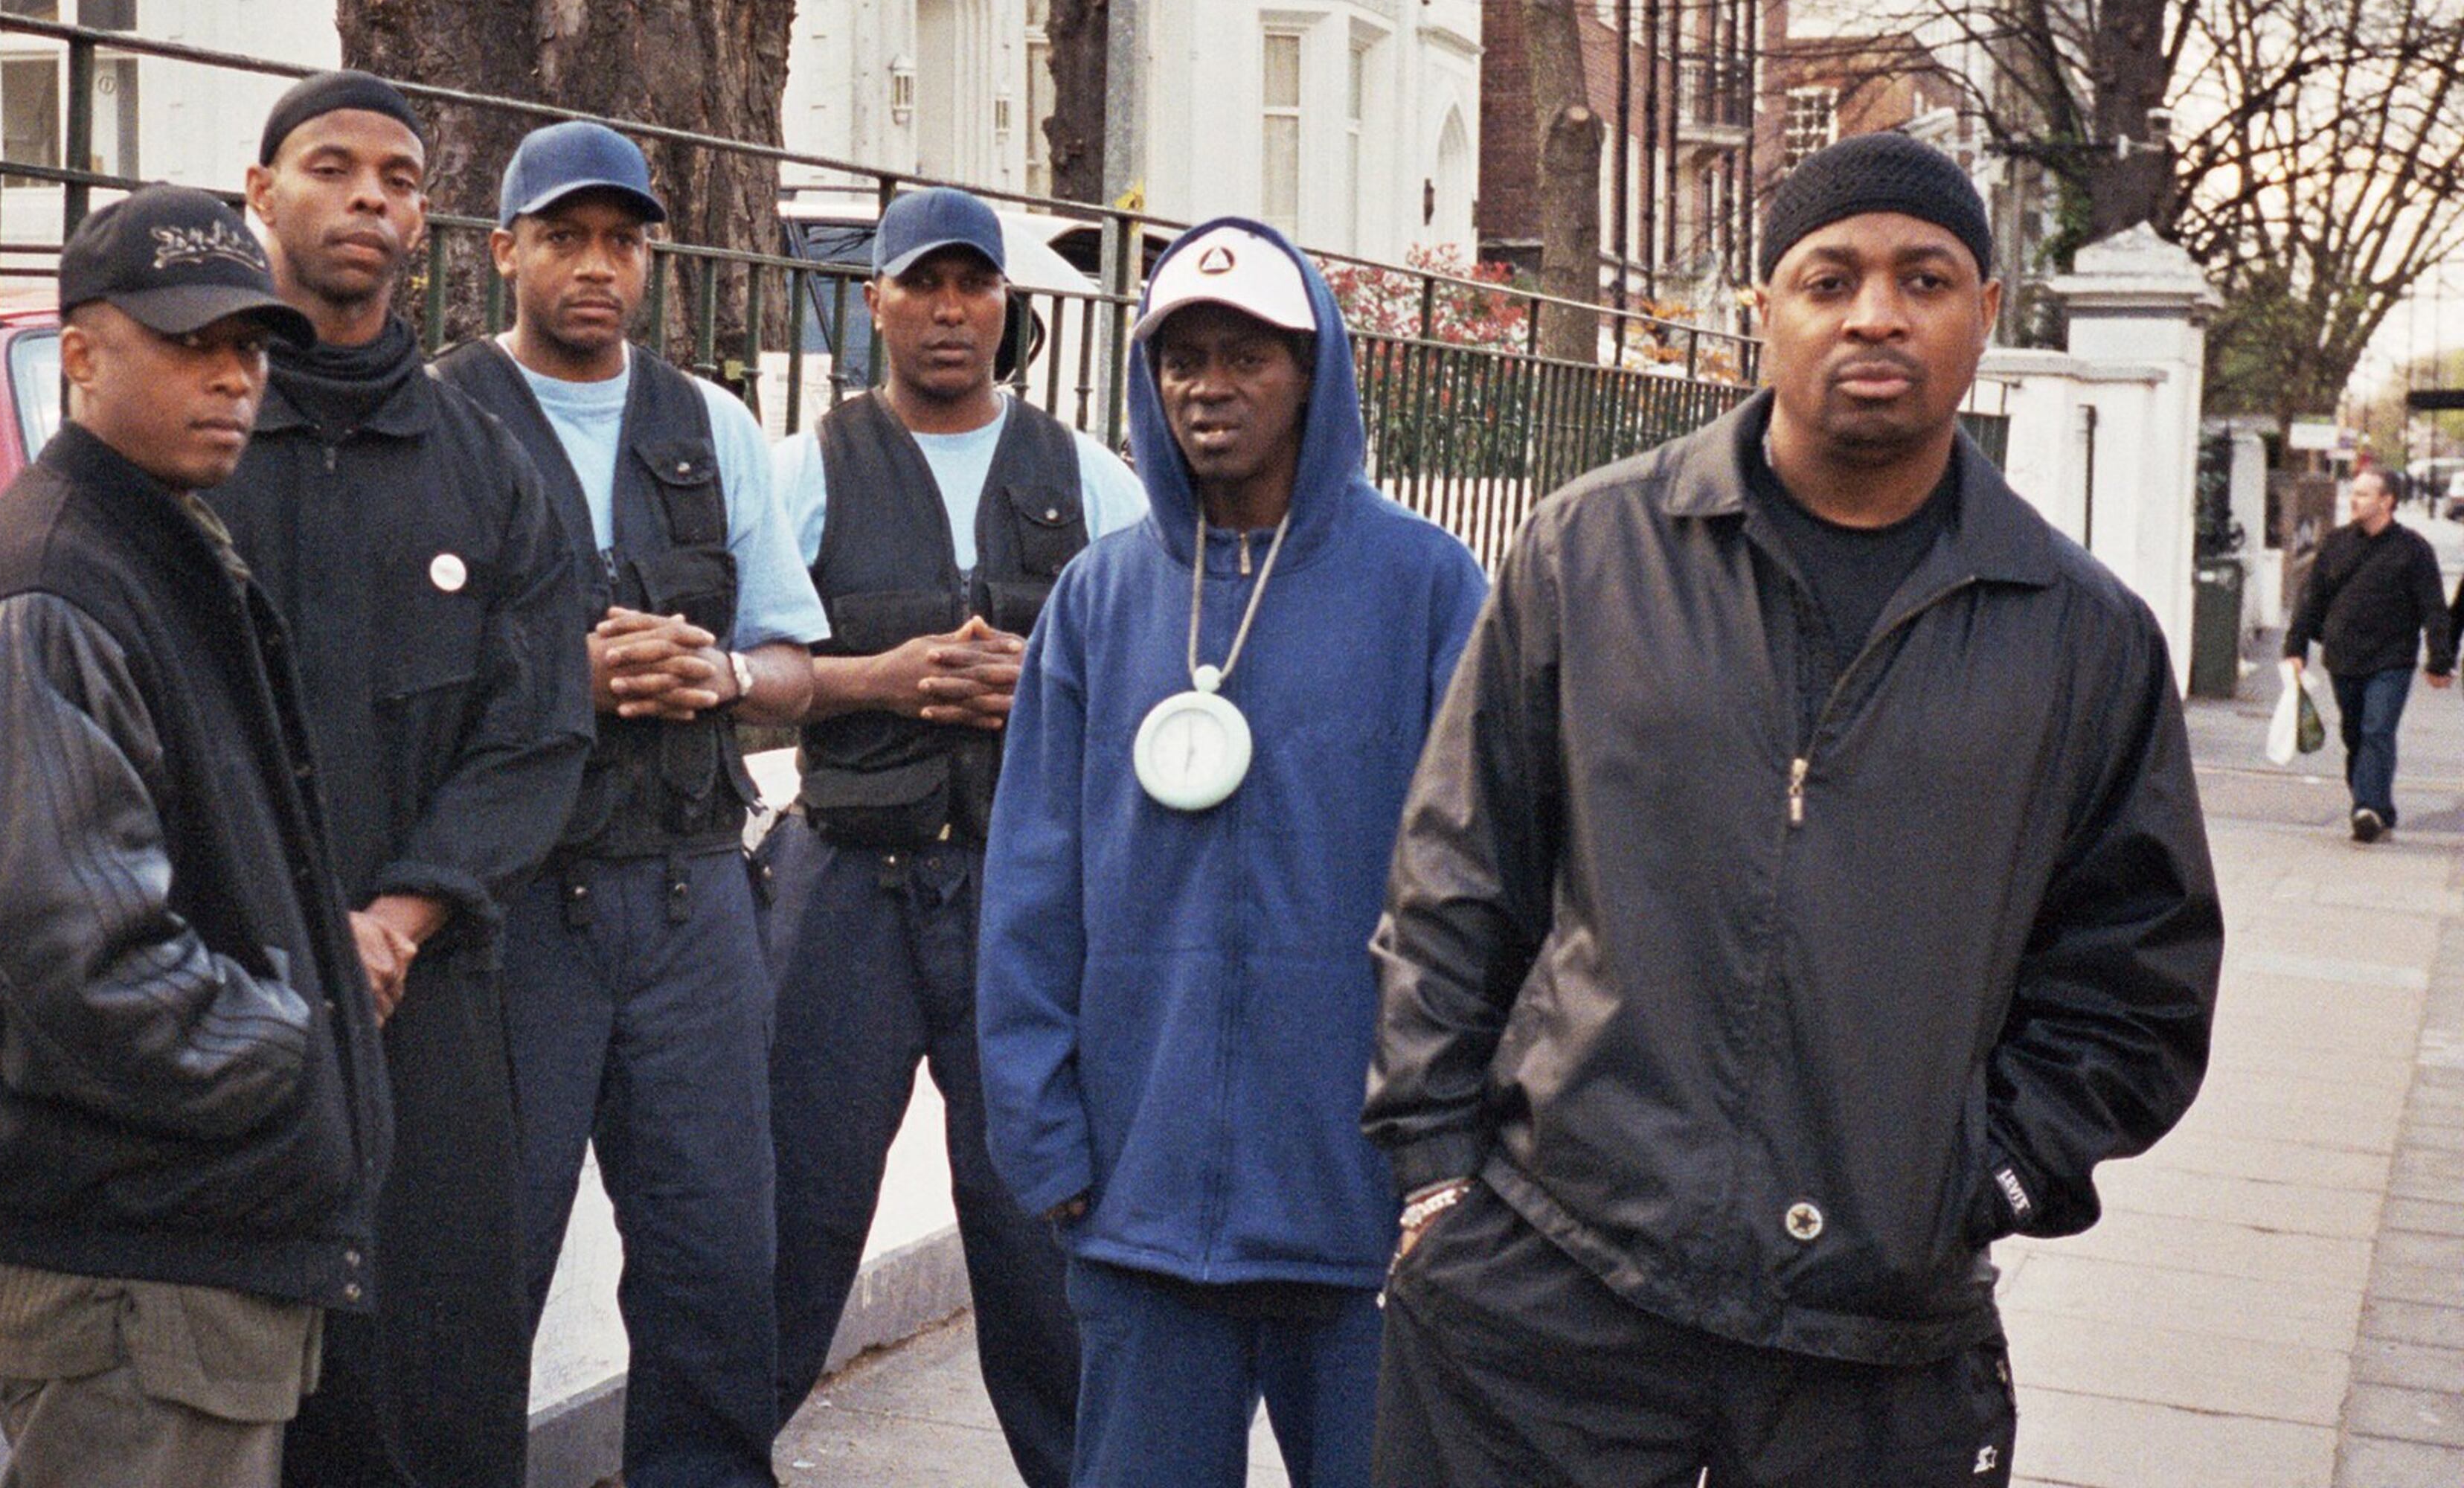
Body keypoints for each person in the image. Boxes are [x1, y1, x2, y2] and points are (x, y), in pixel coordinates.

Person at [1364, 132, 2224, 1487]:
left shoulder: (2081, 636)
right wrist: (1436, 1177)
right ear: (1761, 309)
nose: (1877, 314)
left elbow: (2141, 977)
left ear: (1987, 313)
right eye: (1831, 279)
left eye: (1925, 279)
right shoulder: (1591, 554)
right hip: (1558, 1292)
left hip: (1880, 1341)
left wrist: (1989, 1177)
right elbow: (1457, 882)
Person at [0, 184, 389, 1488]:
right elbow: (50, 951)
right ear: (83, 356)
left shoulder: (149, 544)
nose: (233, 377)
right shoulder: (51, 585)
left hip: (167, 1257)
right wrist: (284, 1047)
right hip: (134, 1275)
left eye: (250, 346)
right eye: (190, 342)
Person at [976, 218, 1488, 1488]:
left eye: (1247, 356)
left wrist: (1457, 1156)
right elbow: (1032, 884)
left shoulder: (1428, 586)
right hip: (1141, 1209)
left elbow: (1492, 886)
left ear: (1313, 372)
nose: (1209, 387)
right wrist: (1047, 1141)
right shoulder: (1099, 599)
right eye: (1182, 359)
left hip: (1364, 1208)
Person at [200, 71, 591, 1488]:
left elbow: (537, 730)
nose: (368, 197)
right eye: (332, 168)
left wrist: (402, 917)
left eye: (400, 179)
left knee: (438, 1381)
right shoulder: (196, 447)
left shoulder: (485, 466)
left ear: (424, 220)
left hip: (429, 1009)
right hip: (229, 992)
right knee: (244, 1388)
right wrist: (304, 931)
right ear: (263, 194)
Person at [429, 119, 826, 1488]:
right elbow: (394, 689)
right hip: (514, 913)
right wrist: (569, 680)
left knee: (717, 1262)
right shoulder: (441, 420)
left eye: (621, 242)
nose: (596, 266)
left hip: (690, 897)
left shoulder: (711, 425)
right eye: (564, 238)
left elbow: (795, 659)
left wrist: (721, 674)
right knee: (481, 1271)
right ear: (504, 252)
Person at [763, 187, 1144, 1485]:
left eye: (972, 284)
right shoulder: (809, 468)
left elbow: (1171, 668)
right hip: (844, 887)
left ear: (1005, 305)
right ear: (872, 302)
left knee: (1038, 1220)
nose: (947, 310)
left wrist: (1048, 679)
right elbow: (738, 673)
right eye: (920, 284)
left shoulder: (1087, 476)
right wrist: (877, 679)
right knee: (795, 1208)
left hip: (1022, 895)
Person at [2286, 466, 2452, 841]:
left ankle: (2367, 808)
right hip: (2343, 656)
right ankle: (2378, 808)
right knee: (2355, 735)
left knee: (2377, 730)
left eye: (2362, 494)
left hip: (2392, 659)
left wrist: (2439, 659)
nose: (2353, 500)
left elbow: (2433, 608)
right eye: (2354, 493)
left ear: (2386, 501)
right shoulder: (2337, 543)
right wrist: (2296, 646)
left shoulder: (2413, 550)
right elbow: (2312, 598)